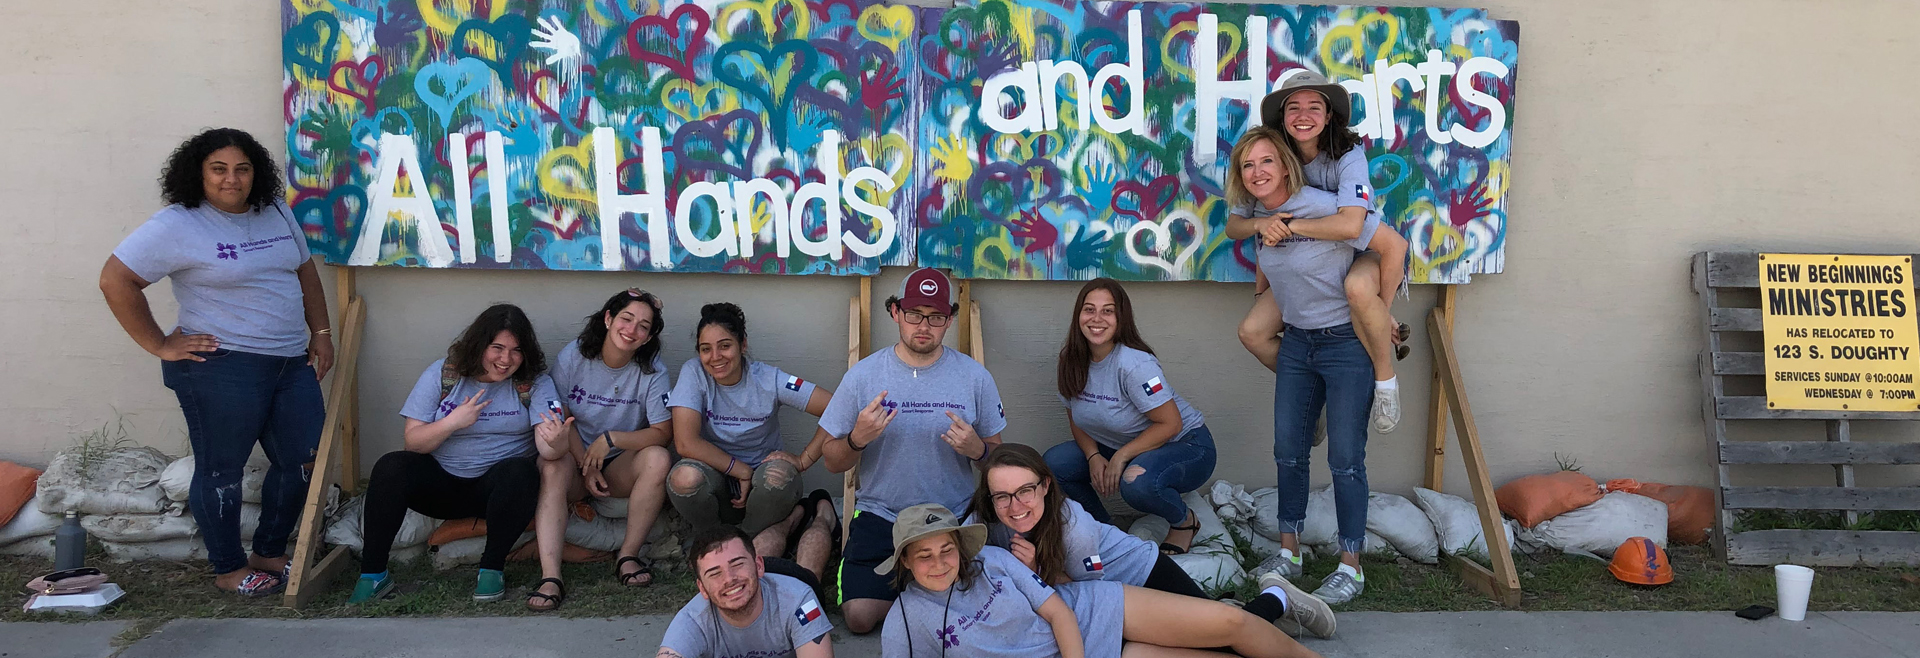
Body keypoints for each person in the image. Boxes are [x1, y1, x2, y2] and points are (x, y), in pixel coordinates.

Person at [100, 128, 331, 597]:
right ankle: (228, 568)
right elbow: (115, 280)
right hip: (223, 365)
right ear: (198, 173)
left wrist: (321, 333)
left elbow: (305, 271)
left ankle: (269, 553)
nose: (232, 180)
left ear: (255, 173)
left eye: (242, 169)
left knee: (302, 462)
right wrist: (159, 344)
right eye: (219, 169)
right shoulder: (178, 223)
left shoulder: (276, 210)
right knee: (222, 469)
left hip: (290, 362)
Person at [1223, 127, 1376, 604]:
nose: (1257, 172)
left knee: (1345, 461)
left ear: (1286, 164)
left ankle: (1351, 565)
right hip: (1296, 346)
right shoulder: (1256, 213)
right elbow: (1244, 234)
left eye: (1266, 161)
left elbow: (1381, 245)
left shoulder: (1322, 203)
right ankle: (1290, 553)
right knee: (1288, 452)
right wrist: (1261, 243)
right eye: (1248, 166)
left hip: (1346, 344)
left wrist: (1382, 310)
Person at [973, 444, 1336, 640]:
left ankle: (1276, 598)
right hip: (1108, 599)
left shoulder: (1075, 530)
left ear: (1046, 486)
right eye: (1001, 496)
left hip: (1140, 575)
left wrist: (1036, 572)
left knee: (1226, 640)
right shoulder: (986, 520)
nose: (1014, 506)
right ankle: (1246, 604)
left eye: (1025, 491)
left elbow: (1092, 599)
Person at [819, 268, 1007, 634]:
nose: (924, 325)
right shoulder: (863, 376)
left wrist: (978, 449)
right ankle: (923, 590)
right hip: (882, 514)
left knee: (980, 606)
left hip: (950, 516)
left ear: (949, 320)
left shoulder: (974, 377)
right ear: (895, 313)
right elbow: (830, 460)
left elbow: (1000, 463)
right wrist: (857, 439)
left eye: (936, 316)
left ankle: (918, 585)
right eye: (914, 314)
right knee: (858, 618)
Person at [881, 503, 1323, 658]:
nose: (939, 563)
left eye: (946, 550)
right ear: (904, 562)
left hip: (1097, 609)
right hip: (1104, 652)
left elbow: (1057, 610)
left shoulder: (994, 559)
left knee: (1233, 628)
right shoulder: (904, 620)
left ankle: (1275, 607)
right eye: (924, 555)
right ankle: (1274, 599)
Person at [1234, 70, 1412, 435]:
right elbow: (1243, 224)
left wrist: (1380, 314)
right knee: (1252, 331)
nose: (1303, 115)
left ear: (1329, 115)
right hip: (1304, 263)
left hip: (1360, 250)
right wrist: (1263, 235)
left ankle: (1385, 382)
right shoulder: (1270, 159)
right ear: (1282, 117)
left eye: (1315, 107)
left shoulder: (1347, 155)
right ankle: (1313, 402)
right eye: (1293, 107)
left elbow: (1356, 229)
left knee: (1360, 292)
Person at [349, 304, 559, 604]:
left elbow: (549, 448)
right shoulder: (444, 374)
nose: (506, 359)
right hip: (442, 484)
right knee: (391, 466)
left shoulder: (534, 383)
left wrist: (557, 440)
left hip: (498, 491)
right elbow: (413, 442)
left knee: (521, 471)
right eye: (497, 348)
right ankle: (373, 575)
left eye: (516, 350)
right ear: (478, 345)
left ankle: (491, 569)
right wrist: (452, 423)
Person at [667, 302, 839, 582]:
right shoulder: (693, 372)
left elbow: (836, 408)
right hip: (717, 476)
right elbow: (685, 443)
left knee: (775, 477)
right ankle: (711, 539)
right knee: (683, 477)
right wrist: (740, 470)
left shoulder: (768, 378)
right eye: (705, 348)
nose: (715, 357)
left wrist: (804, 459)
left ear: (743, 345)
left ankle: (738, 546)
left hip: (764, 484)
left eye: (725, 346)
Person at [527, 289, 675, 611]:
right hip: (576, 459)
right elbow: (562, 418)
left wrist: (611, 439)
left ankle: (628, 555)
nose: (632, 330)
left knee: (659, 459)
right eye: (626, 319)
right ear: (608, 318)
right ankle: (551, 575)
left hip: (618, 465)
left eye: (643, 326)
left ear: (649, 337)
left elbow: (663, 432)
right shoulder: (574, 356)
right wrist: (585, 463)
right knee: (549, 464)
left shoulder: (653, 371)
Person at [1047, 278, 1216, 555]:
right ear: (1079, 315)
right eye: (1089, 310)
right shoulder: (1071, 360)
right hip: (1121, 444)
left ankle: (1184, 522)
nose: (1097, 319)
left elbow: (1171, 424)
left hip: (1187, 445)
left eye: (1108, 311)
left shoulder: (1135, 364)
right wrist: (1093, 456)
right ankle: (1105, 532)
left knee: (1136, 482)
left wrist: (1121, 457)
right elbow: (1074, 417)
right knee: (1054, 465)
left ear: (1121, 318)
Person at [655, 525, 835, 658]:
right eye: (714, 573)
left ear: (758, 565)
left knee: (810, 571)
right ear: (701, 588)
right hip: (752, 581)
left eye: (737, 564)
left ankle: (822, 515)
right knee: (752, 550)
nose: (729, 578)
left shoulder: (800, 601)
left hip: (784, 582)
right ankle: (791, 518)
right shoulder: (692, 620)